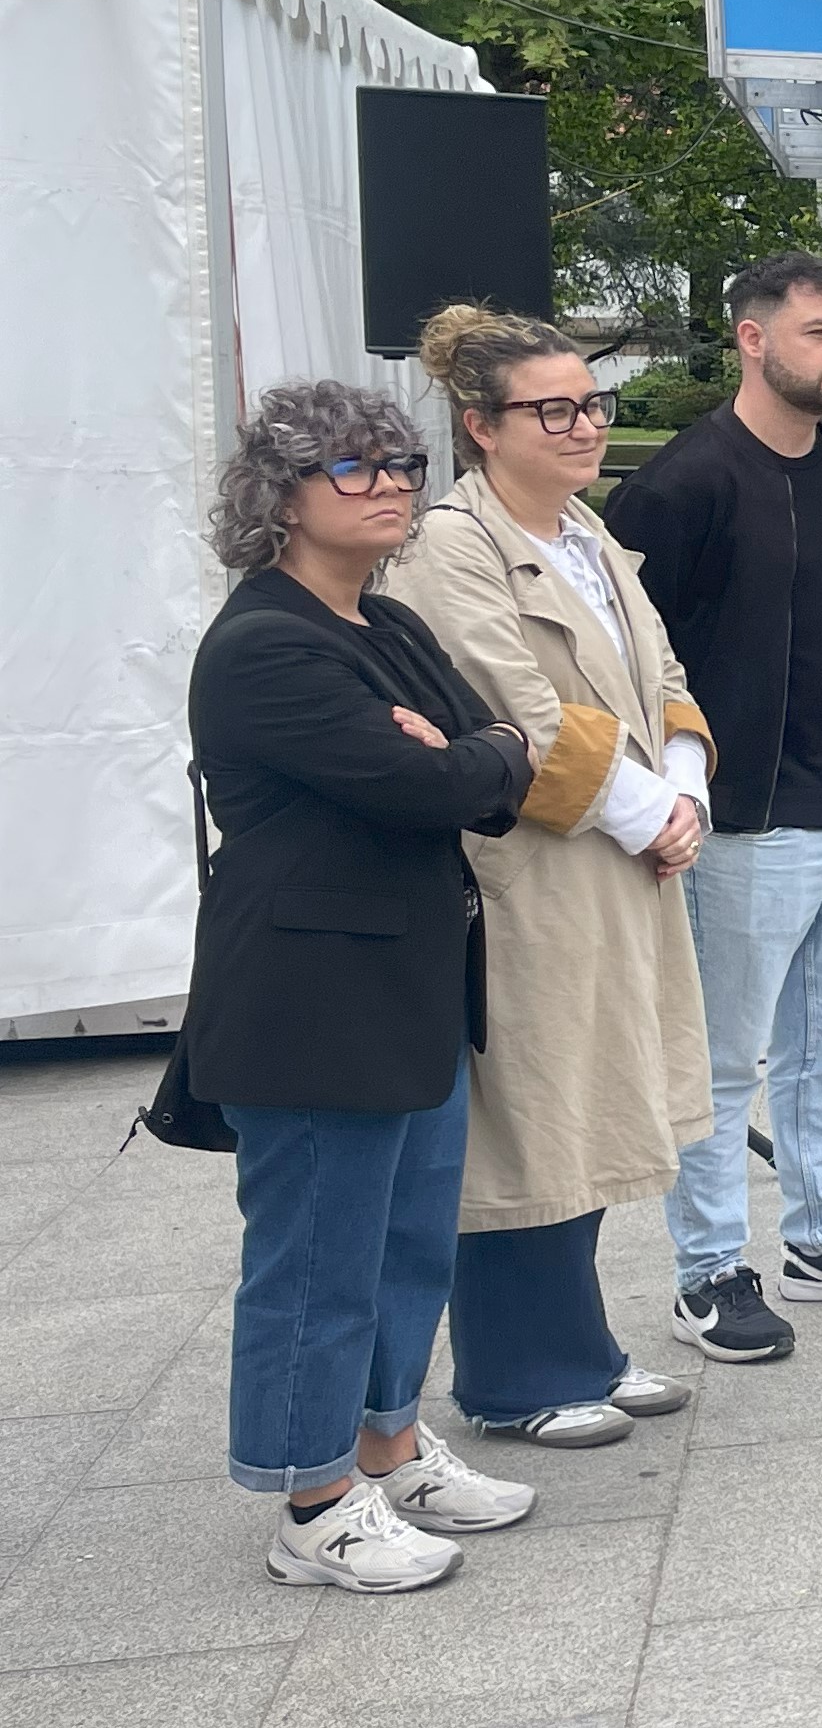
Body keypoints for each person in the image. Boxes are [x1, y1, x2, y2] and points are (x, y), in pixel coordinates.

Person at [185, 381, 541, 1590]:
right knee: (317, 1261)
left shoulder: (384, 624)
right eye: (354, 466)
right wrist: (465, 759)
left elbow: (496, 755)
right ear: (280, 495)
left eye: (400, 463)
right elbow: (428, 786)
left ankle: (388, 1444)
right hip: (310, 1001)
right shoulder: (266, 646)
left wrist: (476, 753)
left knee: (406, 1242)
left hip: (409, 984)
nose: (391, 483)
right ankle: (314, 1502)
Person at [606, 252, 822, 1358]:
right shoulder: (682, 484)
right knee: (720, 1061)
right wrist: (667, 798)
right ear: (752, 339)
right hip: (743, 823)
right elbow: (632, 664)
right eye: (818, 333)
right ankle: (708, 1271)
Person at [383, 307, 712, 1447]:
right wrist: (652, 812)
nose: (584, 426)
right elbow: (511, 706)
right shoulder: (449, 546)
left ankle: (582, 1346)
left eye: (592, 403)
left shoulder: (588, 532)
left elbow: (665, 675)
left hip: (622, 861)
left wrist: (685, 790)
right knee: (530, 1117)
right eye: (553, 409)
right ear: (481, 426)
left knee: (594, 1104)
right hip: (535, 868)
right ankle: (518, 1376)